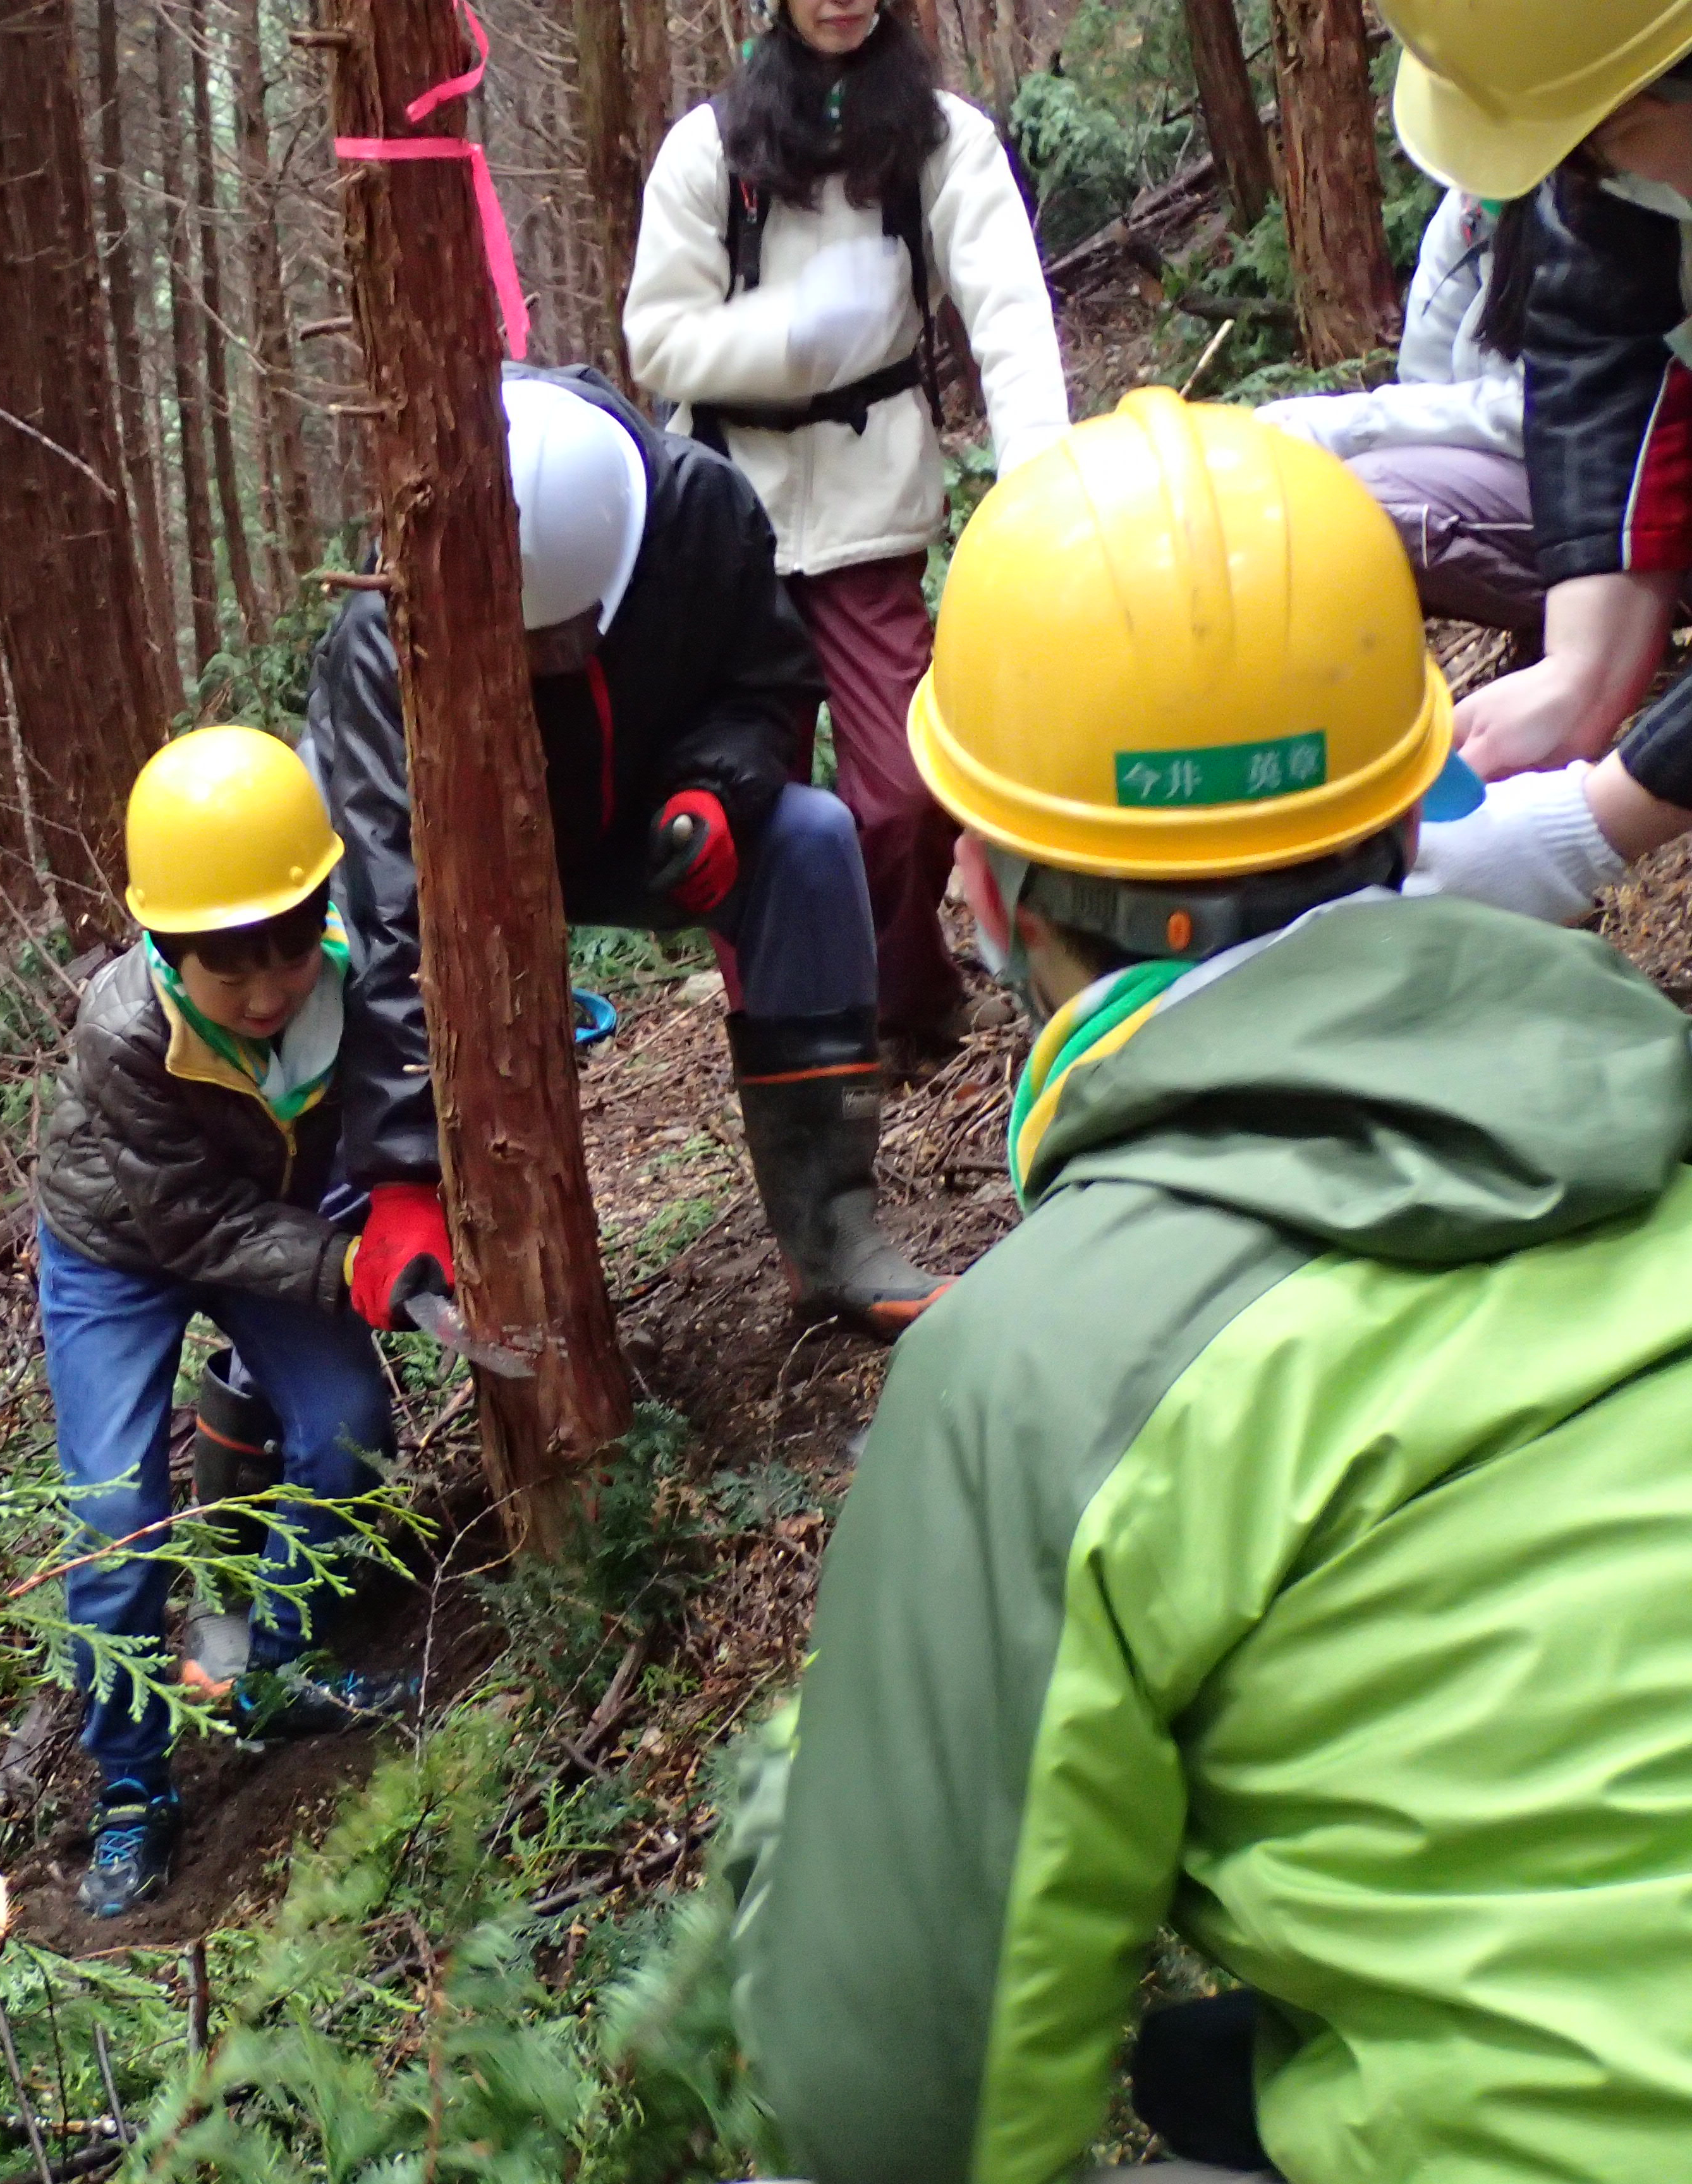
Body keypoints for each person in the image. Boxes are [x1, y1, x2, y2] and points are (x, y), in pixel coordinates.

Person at [717, 389, 1692, 2184]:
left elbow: (886, 2125)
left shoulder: (1046, 1378)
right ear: (1423, 796)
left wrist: (820, 1790)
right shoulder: (1662, 1115)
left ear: (994, 899)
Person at [307, 365, 947, 1335]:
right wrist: (402, 1165)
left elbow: (766, 684)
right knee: (318, 935)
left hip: (650, 829)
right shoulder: (381, 630)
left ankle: (833, 1234)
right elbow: (394, 905)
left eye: (565, 643)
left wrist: (719, 791)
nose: (545, 670)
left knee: (812, 840)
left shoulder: (700, 510)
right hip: (468, 875)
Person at [623, 0, 1067, 1060]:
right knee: (740, 811)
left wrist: (1043, 489)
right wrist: (797, 335)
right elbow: (658, 342)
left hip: (871, 516)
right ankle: (786, 1046)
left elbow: (1007, 315)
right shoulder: (710, 147)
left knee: (907, 794)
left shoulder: (939, 138)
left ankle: (902, 1008)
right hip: (727, 528)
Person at [32, 725, 412, 1920]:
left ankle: (278, 1660)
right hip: (122, 1248)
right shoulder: (123, 1034)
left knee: (347, 1420)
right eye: (229, 972)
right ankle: (134, 1785)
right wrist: (345, 1261)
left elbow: (406, 1086)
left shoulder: (358, 967)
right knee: (114, 1515)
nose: (264, 995)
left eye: (288, 958)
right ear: (164, 946)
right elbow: (191, 1226)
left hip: (271, 1218)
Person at [1375, 3, 1692, 918]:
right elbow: (1603, 342)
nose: (1594, 173)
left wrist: (1594, 820)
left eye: (1613, 134)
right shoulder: (1617, 179)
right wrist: (1578, 675)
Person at [1258, 190, 1538, 634]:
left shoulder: (1594, 206)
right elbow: (1425, 386)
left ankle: (1597, 630)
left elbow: (1549, 410)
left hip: (1618, 487)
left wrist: (1339, 429)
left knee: (1355, 504)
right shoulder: (1468, 212)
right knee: (1317, 497)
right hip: (1521, 474)